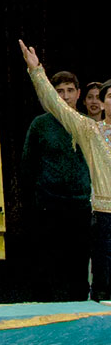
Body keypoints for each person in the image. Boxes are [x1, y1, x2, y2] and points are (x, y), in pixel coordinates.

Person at [20, 43, 108, 301]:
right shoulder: (71, 127)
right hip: (50, 205)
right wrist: (36, 70)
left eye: (70, 91)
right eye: (61, 91)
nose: (66, 95)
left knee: (81, 268)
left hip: (85, 208)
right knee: (47, 265)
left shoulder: (94, 128)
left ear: (79, 93)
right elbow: (28, 166)